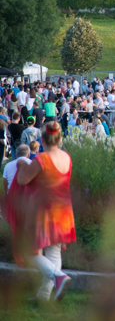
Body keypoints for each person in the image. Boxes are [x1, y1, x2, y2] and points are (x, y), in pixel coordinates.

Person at [7, 122, 75, 302]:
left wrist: (22, 163)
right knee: (54, 252)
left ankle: (58, 276)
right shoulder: (67, 157)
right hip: (63, 209)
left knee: (29, 251)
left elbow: (22, 180)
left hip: (44, 209)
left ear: (42, 141)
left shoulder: (42, 159)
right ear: (59, 140)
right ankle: (45, 295)